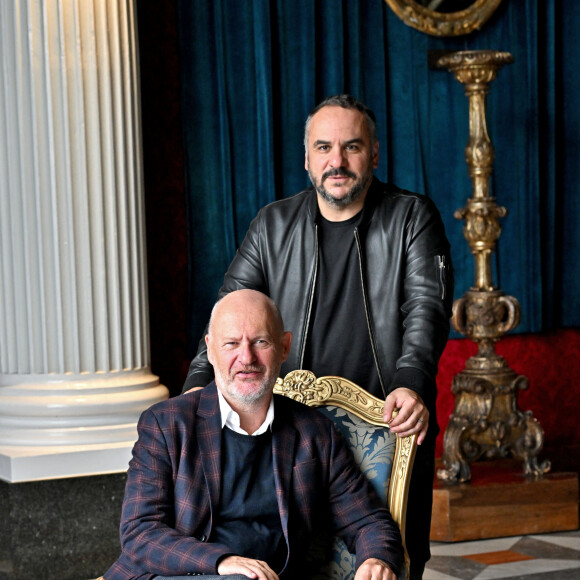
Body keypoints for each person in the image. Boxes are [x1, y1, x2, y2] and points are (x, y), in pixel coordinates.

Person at [183, 95, 454, 579]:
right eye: (324, 147)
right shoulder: (272, 224)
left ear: (374, 153)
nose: (337, 161)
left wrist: (411, 381)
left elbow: (425, 310)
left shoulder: (412, 216)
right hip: (289, 426)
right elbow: (227, 314)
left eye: (352, 147)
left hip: (385, 418)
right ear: (307, 158)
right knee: (286, 549)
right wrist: (192, 396)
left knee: (390, 551)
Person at [104, 289, 404, 580]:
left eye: (260, 341)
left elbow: (367, 520)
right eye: (231, 343)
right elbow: (140, 532)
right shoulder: (165, 423)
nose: (246, 358)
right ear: (209, 349)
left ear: (284, 347)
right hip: (175, 574)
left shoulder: (315, 433)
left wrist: (375, 558)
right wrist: (222, 562)